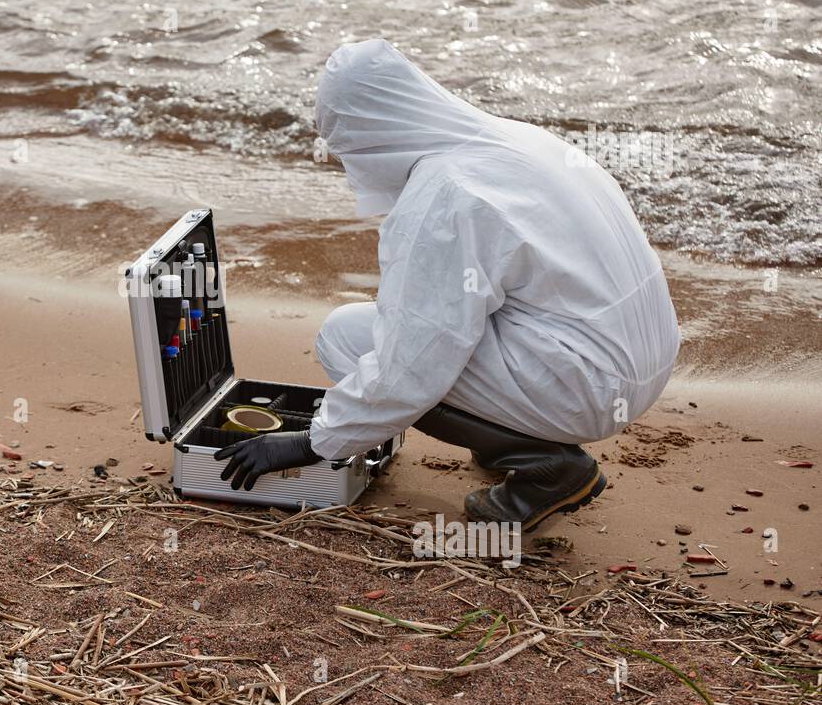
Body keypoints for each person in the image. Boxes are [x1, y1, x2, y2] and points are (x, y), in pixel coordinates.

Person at [216, 39, 681, 531]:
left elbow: (413, 358)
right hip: (644, 356)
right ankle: (507, 439)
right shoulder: (515, 138)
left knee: (348, 339)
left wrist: (312, 442)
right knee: (449, 322)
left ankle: (547, 468)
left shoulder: (447, 193)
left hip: (589, 384)